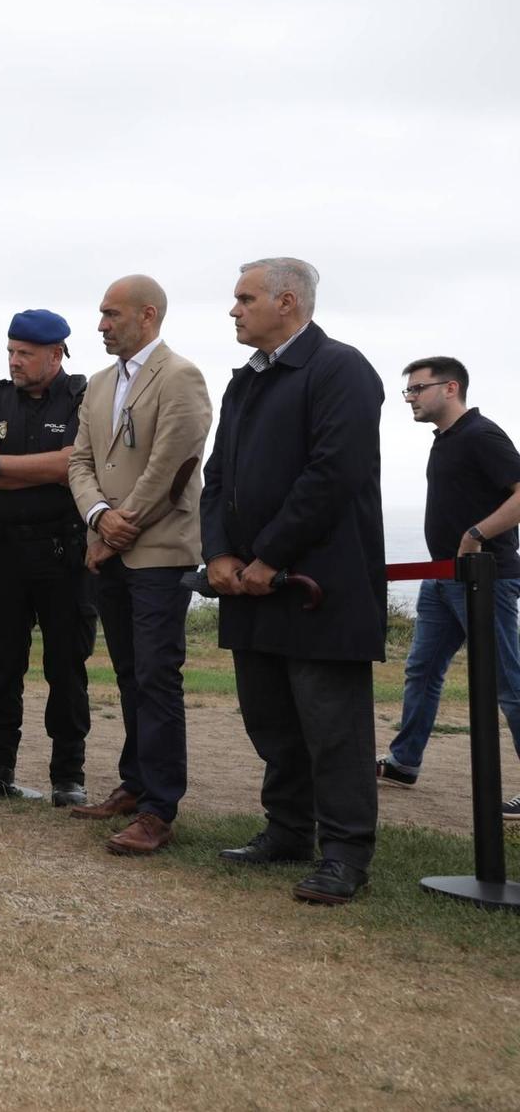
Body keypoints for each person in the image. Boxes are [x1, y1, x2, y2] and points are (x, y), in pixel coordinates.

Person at [202, 258, 387, 904]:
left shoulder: (341, 369)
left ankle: (345, 854)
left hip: (317, 586)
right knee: (271, 720)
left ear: (287, 302)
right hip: (250, 586)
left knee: (332, 729)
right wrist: (220, 554)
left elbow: (333, 473)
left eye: (245, 298)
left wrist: (269, 555)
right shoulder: (245, 381)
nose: (234, 309)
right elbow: (217, 477)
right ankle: (287, 831)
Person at [65, 275, 212, 856]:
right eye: (101, 314)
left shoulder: (180, 376)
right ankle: (135, 784)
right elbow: (80, 461)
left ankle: (159, 809)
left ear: (147, 315)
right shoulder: (99, 384)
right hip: (110, 544)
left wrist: (121, 525)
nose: (101, 325)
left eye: (111, 314)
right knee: (129, 673)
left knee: (156, 676)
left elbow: (174, 463)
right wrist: (99, 517)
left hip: (158, 551)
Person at [0, 309, 95, 806]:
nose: (14, 361)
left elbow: (74, 466)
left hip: (65, 553)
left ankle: (68, 776)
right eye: (11, 351)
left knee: (66, 666)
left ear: (56, 355)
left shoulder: (82, 398)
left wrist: (2, 464)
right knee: (2, 663)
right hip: (9, 552)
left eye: (25, 354)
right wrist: (23, 468)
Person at [379, 357, 520, 819]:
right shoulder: (445, 440)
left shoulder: (481, 435)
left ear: (451, 387)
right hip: (442, 578)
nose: (410, 398)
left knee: (508, 683)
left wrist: (476, 534)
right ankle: (404, 763)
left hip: (485, 577)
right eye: (408, 391)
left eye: (417, 389)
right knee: (421, 670)